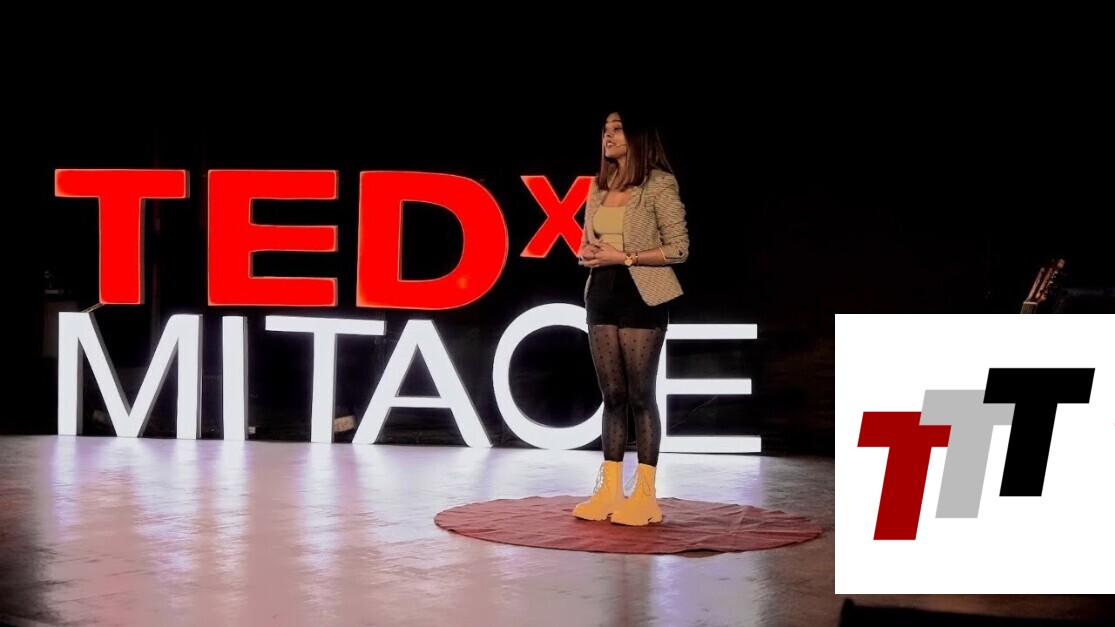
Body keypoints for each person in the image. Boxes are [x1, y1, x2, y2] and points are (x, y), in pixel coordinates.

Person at [572, 109, 689, 526]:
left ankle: (645, 498)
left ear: (637, 137)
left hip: (642, 295)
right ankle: (609, 492)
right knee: (613, 396)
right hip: (601, 295)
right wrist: (588, 253)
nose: (608, 136)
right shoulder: (597, 186)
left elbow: (679, 248)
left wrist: (624, 257)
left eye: (617, 129)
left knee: (640, 396)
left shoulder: (659, 183)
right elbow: (588, 242)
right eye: (605, 130)